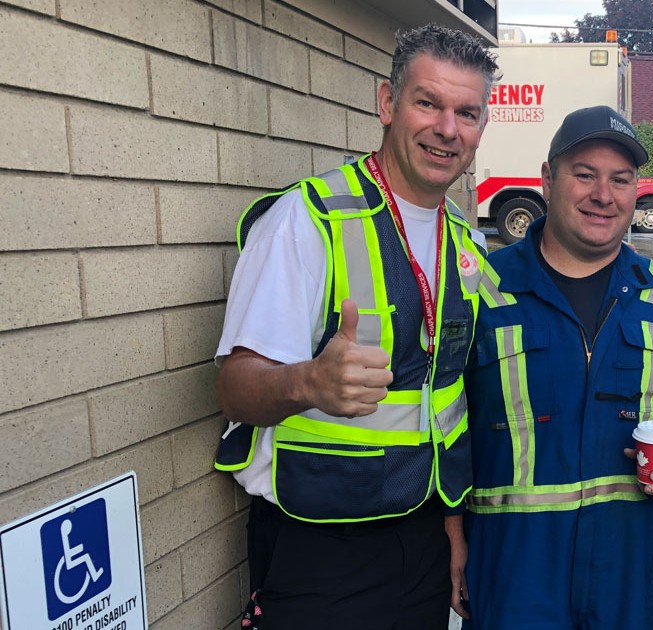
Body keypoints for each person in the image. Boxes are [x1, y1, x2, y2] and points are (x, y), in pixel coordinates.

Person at [211, 24, 497, 629]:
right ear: (388, 103)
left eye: (467, 112)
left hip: (421, 540)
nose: (448, 128)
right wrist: (307, 383)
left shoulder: (465, 244)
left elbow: (443, 404)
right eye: (428, 103)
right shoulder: (308, 219)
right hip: (319, 546)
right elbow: (234, 387)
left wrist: (451, 534)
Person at [459, 105, 653, 629]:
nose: (604, 194)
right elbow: (440, 422)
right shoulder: (480, 291)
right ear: (547, 180)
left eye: (620, 180)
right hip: (512, 574)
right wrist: (446, 536)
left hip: (628, 574)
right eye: (585, 175)